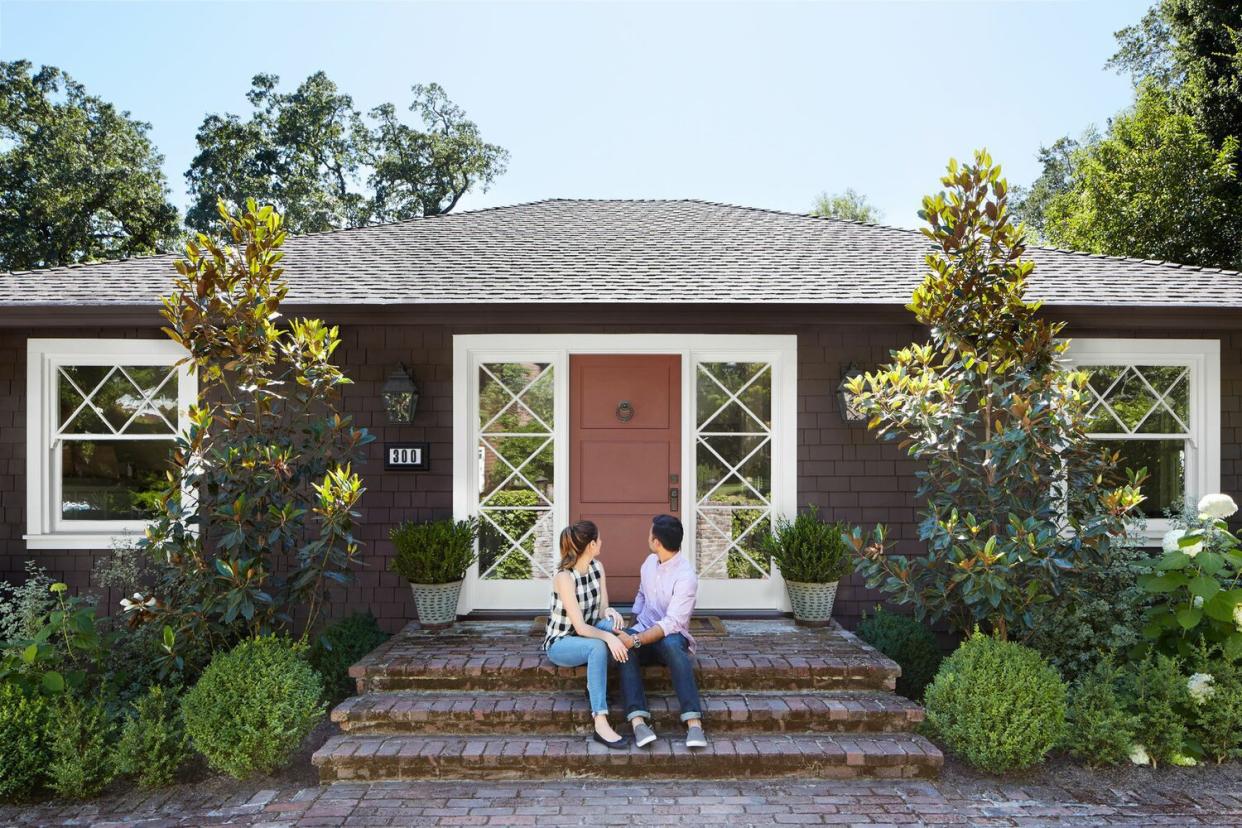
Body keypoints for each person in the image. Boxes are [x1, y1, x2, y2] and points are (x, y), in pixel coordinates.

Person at [615, 514, 707, 749]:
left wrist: (635, 639)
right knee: (624, 651)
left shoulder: (686, 577)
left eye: (649, 534)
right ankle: (638, 721)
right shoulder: (649, 563)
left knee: (672, 646)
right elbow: (641, 597)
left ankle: (693, 722)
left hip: (671, 637)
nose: (647, 537)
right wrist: (631, 630)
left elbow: (671, 623)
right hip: (644, 631)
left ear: (657, 542)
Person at [541, 520, 631, 748]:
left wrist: (610, 614)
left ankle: (629, 698)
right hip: (562, 642)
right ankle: (600, 721)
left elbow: (601, 612)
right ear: (591, 544)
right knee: (599, 645)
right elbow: (580, 628)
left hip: (588, 632)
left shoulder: (597, 568)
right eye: (599, 539)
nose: (602, 542)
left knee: (620, 631)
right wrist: (607, 637)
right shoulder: (564, 577)